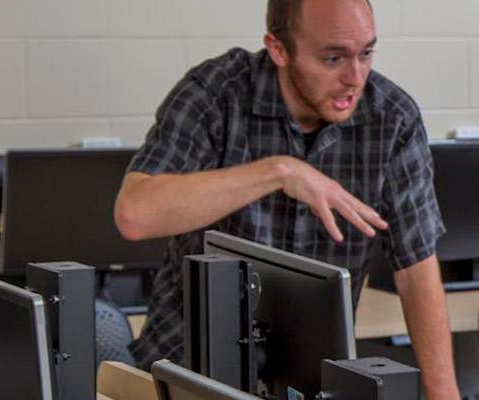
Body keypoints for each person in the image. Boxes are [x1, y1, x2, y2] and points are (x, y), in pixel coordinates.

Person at [112, 0, 458, 398]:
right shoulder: (216, 94)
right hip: (188, 371)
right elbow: (136, 213)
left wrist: (443, 395)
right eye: (333, 58)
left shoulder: (392, 118)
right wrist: (280, 171)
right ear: (278, 49)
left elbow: (416, 267)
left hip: (310, 382)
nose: (354, 77)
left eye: (365, 53)